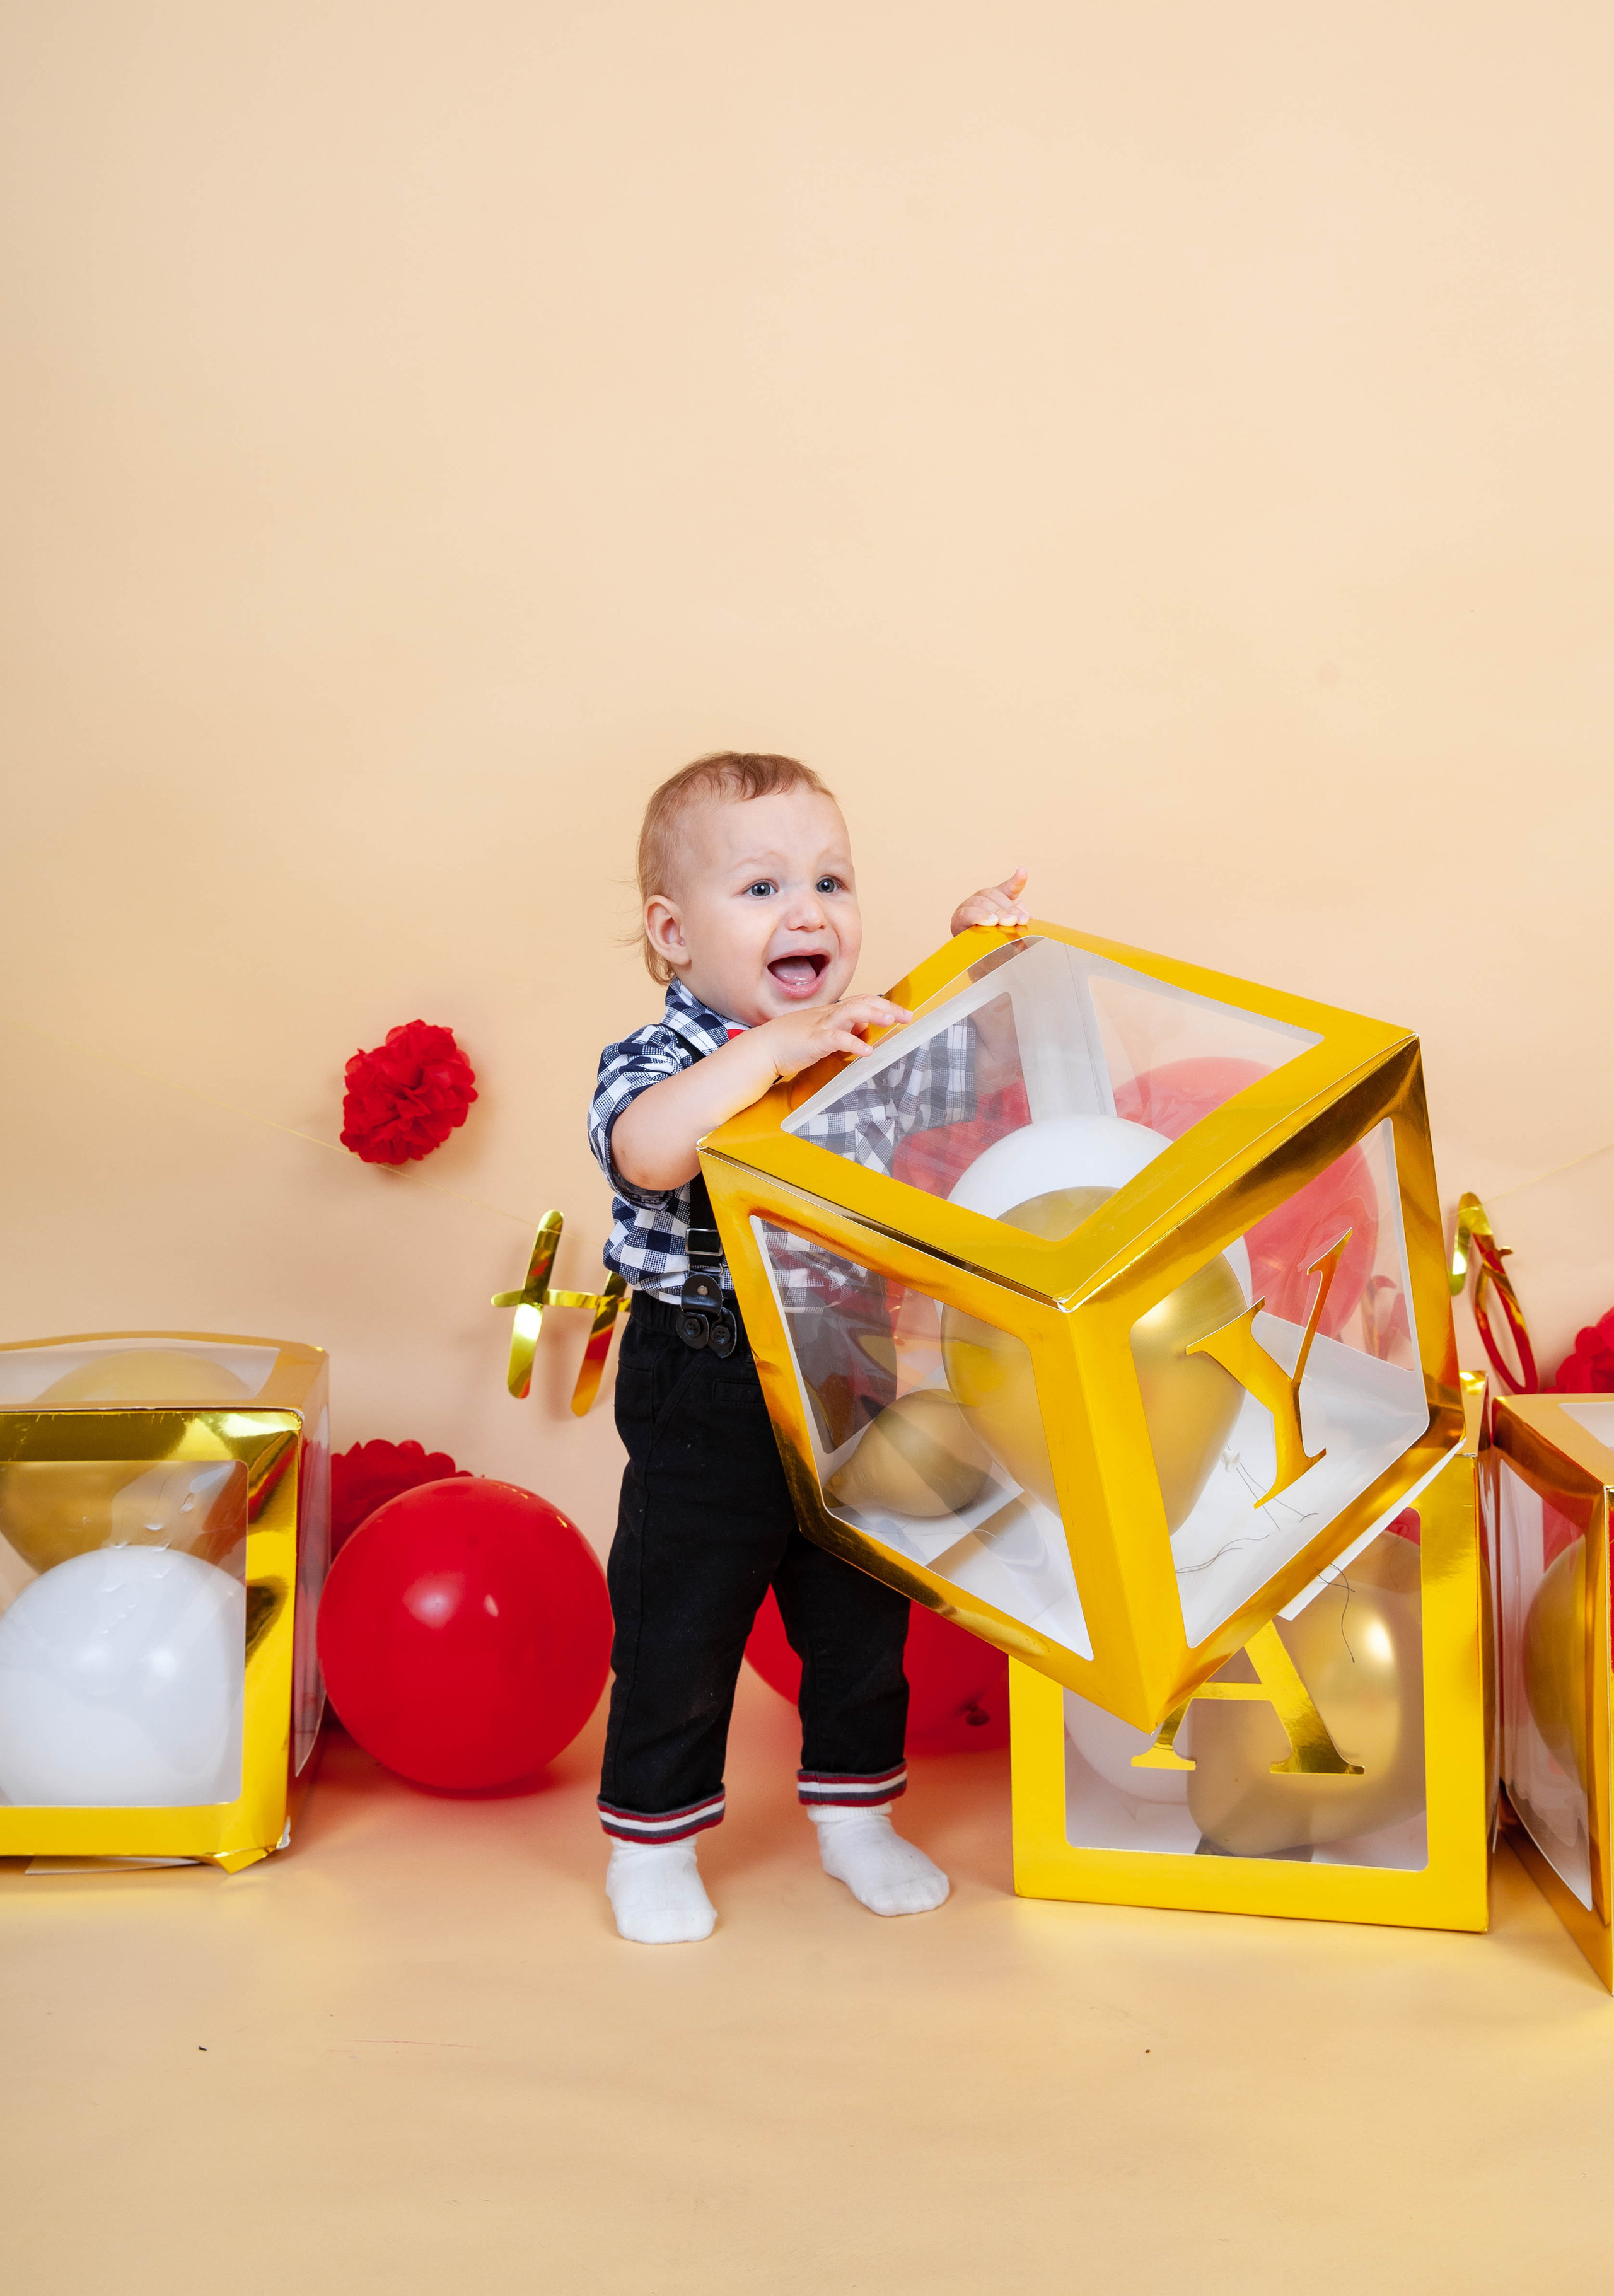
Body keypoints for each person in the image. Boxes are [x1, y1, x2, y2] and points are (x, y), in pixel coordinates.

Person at [588, 750, 1029, 1944]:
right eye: (764, 887)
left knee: (859, 1617)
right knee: (682, 1620)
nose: (810, 911)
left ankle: (855, 1813)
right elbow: (649, 1152)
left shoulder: (860, 1043)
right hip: (706, 1374)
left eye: (832, 881)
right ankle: (652, 1837)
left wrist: (975, 956)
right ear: (673, 933)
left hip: (847, 1362)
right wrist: (765, 1055)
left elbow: (982, 1064)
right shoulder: (661, 1061)